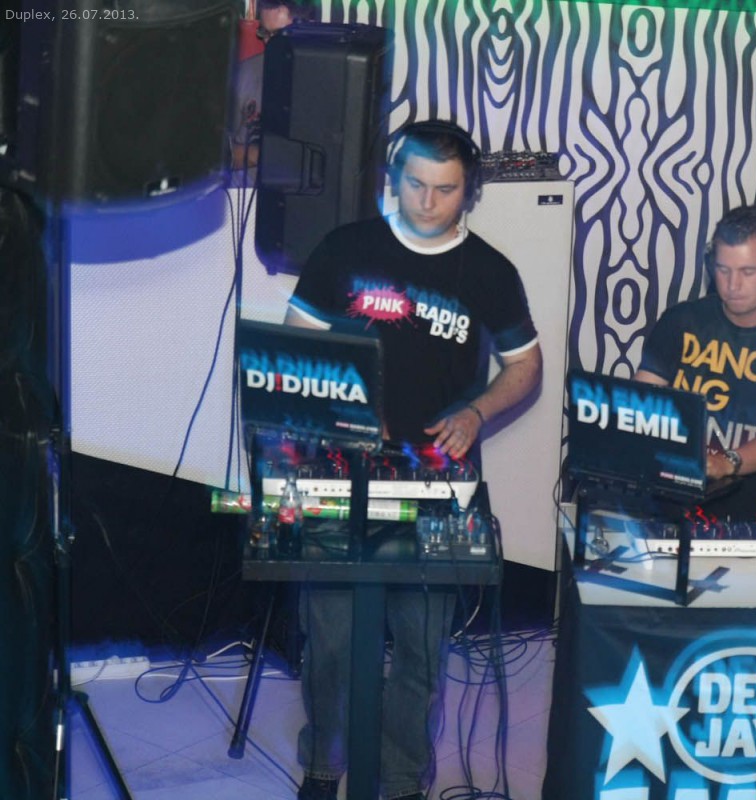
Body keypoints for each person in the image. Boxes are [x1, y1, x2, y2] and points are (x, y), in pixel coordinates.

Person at [284, 120, 542, 800]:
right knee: (331, 638)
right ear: (392, 178)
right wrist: (337, 403)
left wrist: (477, 412)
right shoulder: (344, 249)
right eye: (415, 184)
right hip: (339, 468)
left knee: (421, 645)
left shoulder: (489, 271)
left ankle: (401, 780)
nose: (427, 203)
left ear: (470, 192)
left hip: (437, 477)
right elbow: (295, 346)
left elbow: (526, 367)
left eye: (445, 190)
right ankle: (324, 766)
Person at [635, 206, 756, 520]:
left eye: (747, 272)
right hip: (671, 505)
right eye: (723, 270)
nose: (732, 285)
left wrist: (726, 462)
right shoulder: (680, 322)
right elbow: (642, 404)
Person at [231, 0, 314, 173]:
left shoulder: (323, 79)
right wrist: (260, 155)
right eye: (264, 33)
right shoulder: (245, 73)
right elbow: (218, 155)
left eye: (278, 35)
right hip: (245, 187)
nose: (268, 42)